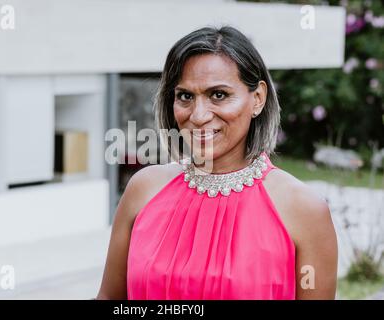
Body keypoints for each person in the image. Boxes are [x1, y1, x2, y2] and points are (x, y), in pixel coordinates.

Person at [96, 26, 337, 300]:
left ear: (257, 98)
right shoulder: (144, 189)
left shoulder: (304, 210)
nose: (198, 116)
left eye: (218, 95)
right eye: (185, 96)